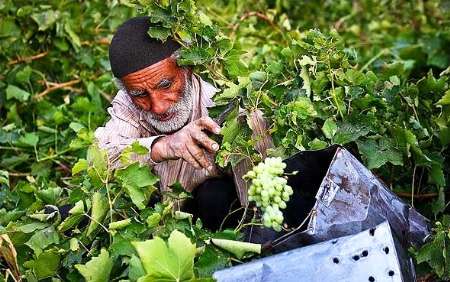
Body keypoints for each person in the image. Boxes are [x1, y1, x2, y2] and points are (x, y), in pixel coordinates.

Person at [94, 16, 241, 230]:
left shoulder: (222, 106)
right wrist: (161, 146)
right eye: (139, 94)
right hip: (152, 223)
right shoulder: (127, 104)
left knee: (215, 195)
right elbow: (100, 161)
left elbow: (257, 196)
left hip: (204, 223)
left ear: (187, 68)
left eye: (165, 85)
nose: (158, 107)